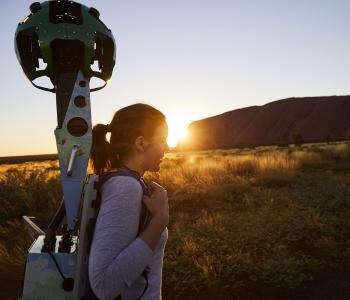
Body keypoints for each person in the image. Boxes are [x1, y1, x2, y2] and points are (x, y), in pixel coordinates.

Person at [88, 103, 170, 300]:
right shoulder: (125, 187)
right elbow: (104, 285)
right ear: (141, 143)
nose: (167, 147)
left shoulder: (127, 182)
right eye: (162, 140)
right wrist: (160, 221)